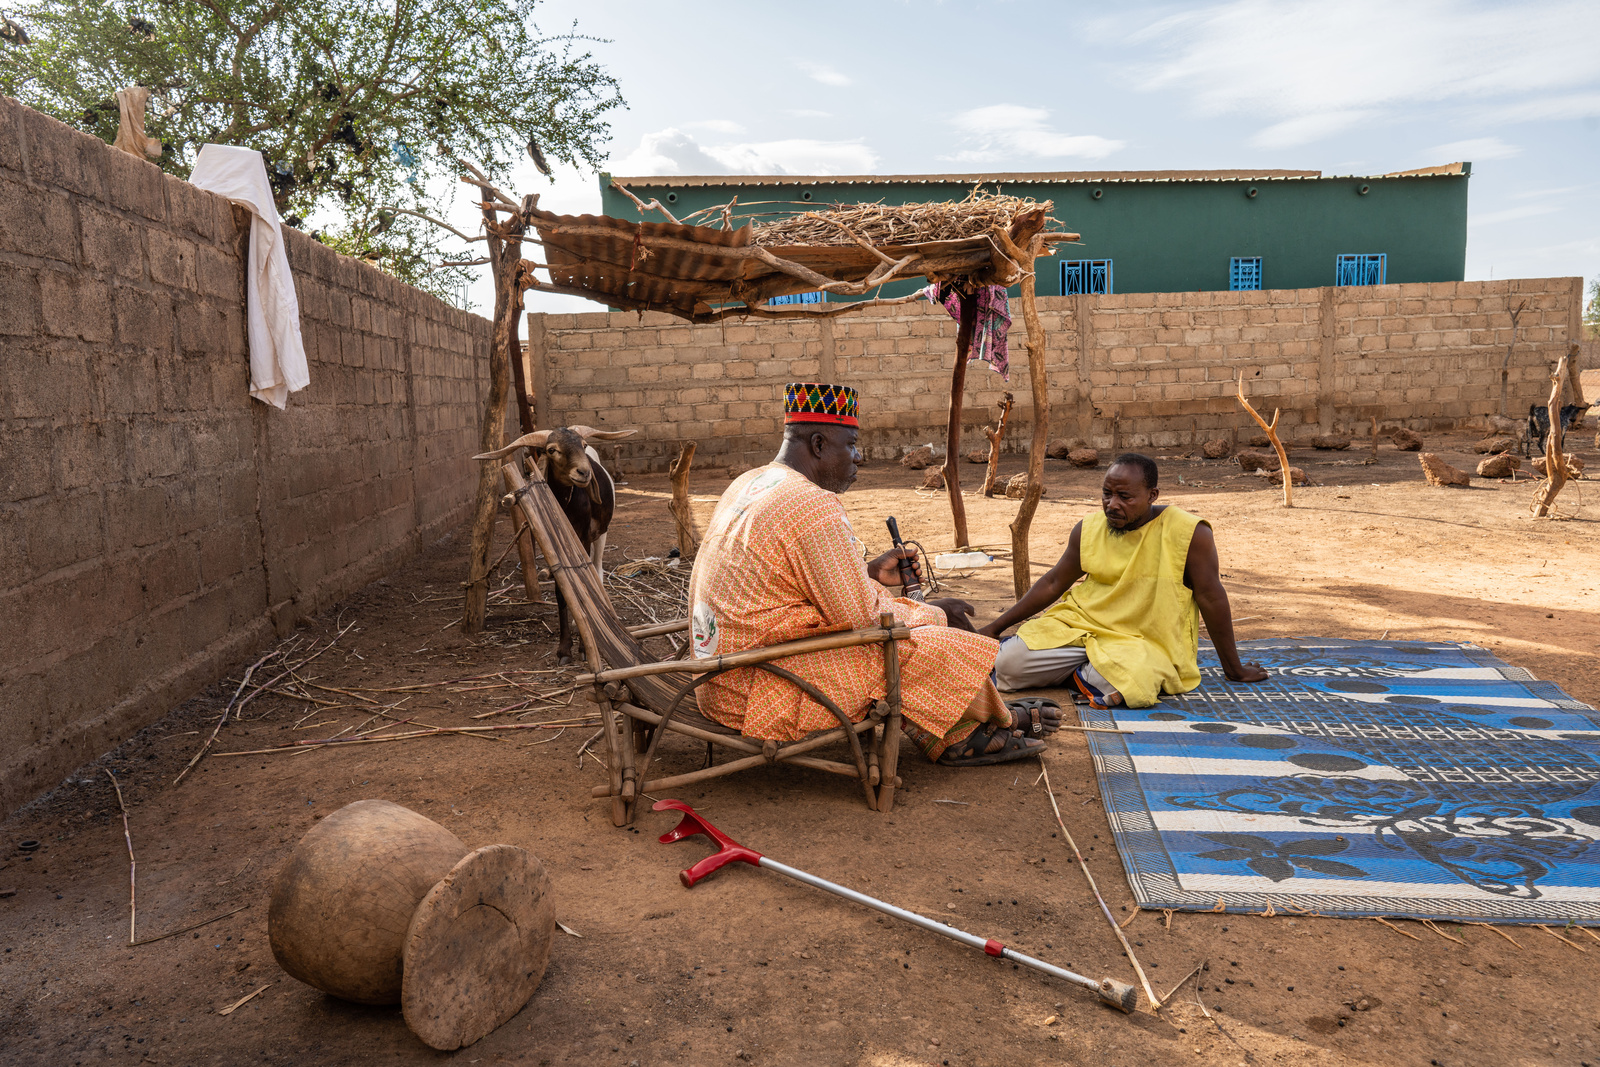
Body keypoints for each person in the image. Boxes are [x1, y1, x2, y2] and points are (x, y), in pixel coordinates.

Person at [687, 383, 1059, 766]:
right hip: (762, 689)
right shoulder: (812, 505)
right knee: (925, 646)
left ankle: (966, 729)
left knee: (917, 637)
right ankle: (1000, 719)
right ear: (818, 444)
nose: (858, 457)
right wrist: (935, 613)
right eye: (850, 444)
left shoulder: (752, 482)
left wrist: (870, 575)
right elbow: (860, 619)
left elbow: (787, 580)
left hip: (720, 680)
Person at [979, 452, 1268, 708]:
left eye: (1124, 497)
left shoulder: (1189, 533)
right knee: (1008, 664)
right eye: (1107, 494)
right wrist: (995, 627)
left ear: (1152, 495)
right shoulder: (1089, 529)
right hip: (1079, 626)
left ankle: (1084, 671)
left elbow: (1211, 597)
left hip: (1143, 641)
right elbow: (1054, 582)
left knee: (1134, 684)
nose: (1111, 505)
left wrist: (1234, 668)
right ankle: (1087, 673)